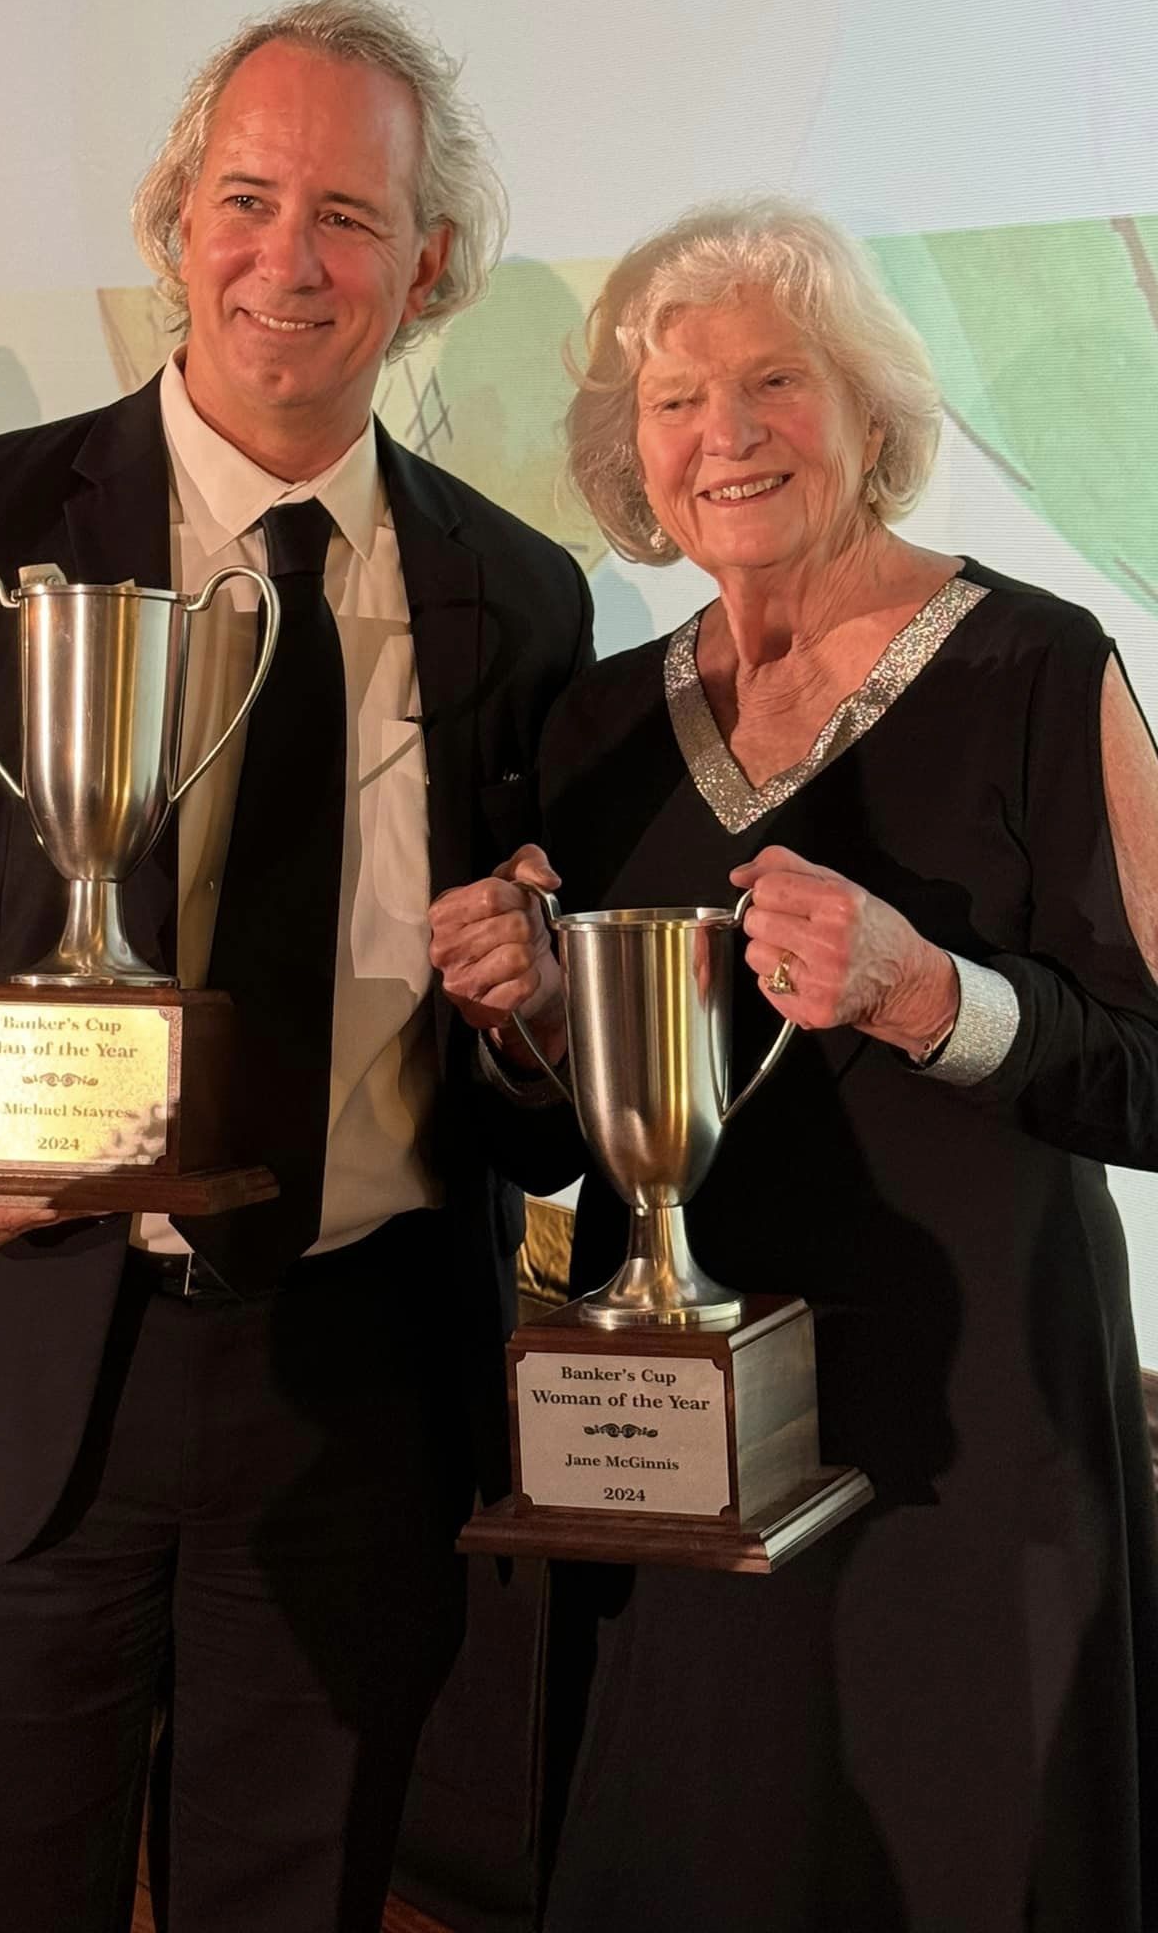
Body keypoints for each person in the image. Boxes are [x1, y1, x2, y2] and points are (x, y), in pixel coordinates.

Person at [0, 0, 592, 1933]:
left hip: (351, 1407)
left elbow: (525, 1095)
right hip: (2, 1380)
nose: (293, 258)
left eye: (351, 216)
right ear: (175, 219)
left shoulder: (515, 596)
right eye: (249, 198)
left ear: (429, 264)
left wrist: (531, 1015)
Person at [428, 199, 1158, 1933]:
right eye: (675, 402)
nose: (726, 434)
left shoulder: (1042, 667)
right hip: (688, 1456)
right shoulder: (596, 726)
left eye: (777, 382)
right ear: (631, 453)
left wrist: (929, 996)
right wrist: (526, 1014)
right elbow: (549, 1146)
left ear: (871, 416)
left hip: (972, 1460)